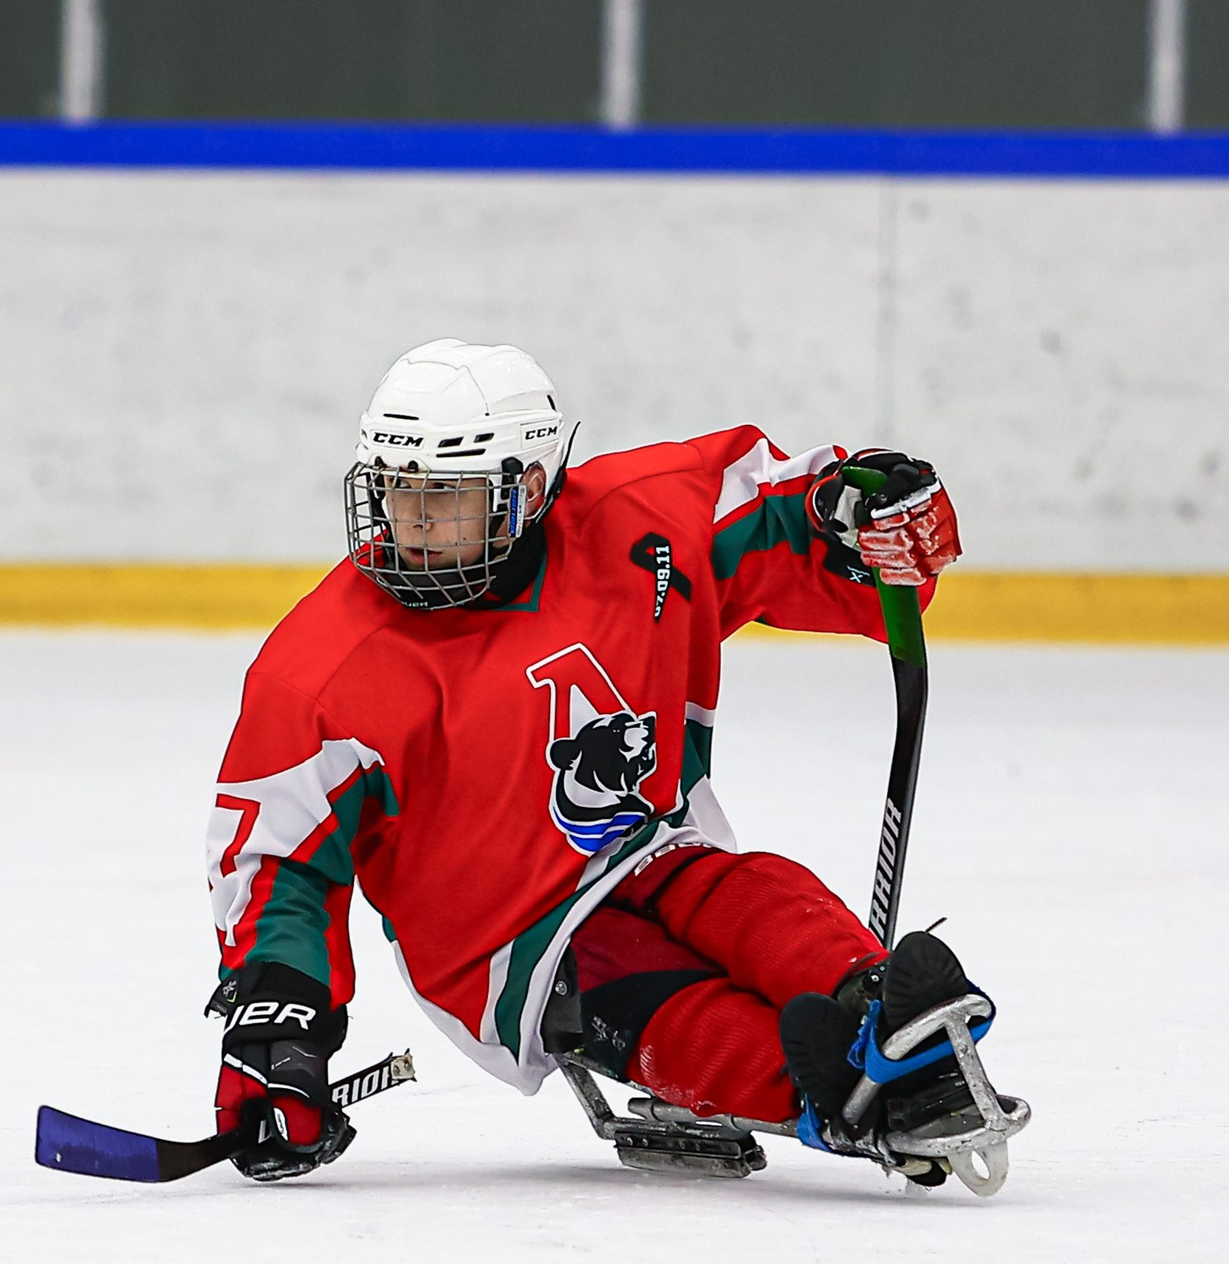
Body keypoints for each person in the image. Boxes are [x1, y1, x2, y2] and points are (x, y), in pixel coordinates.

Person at [206, 338, 977, 1183]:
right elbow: (275, 859)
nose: (412, 522)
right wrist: (277, 1029)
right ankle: (834, 1094)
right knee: (630, 977)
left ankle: (884, 1008)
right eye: (396, 491)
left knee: (740, 889)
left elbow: (782, 515)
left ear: (528, 490)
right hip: (509, 938)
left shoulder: (641, 524)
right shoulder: (323, 667)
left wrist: (857, 516)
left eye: (445, 497)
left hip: (650, 839)